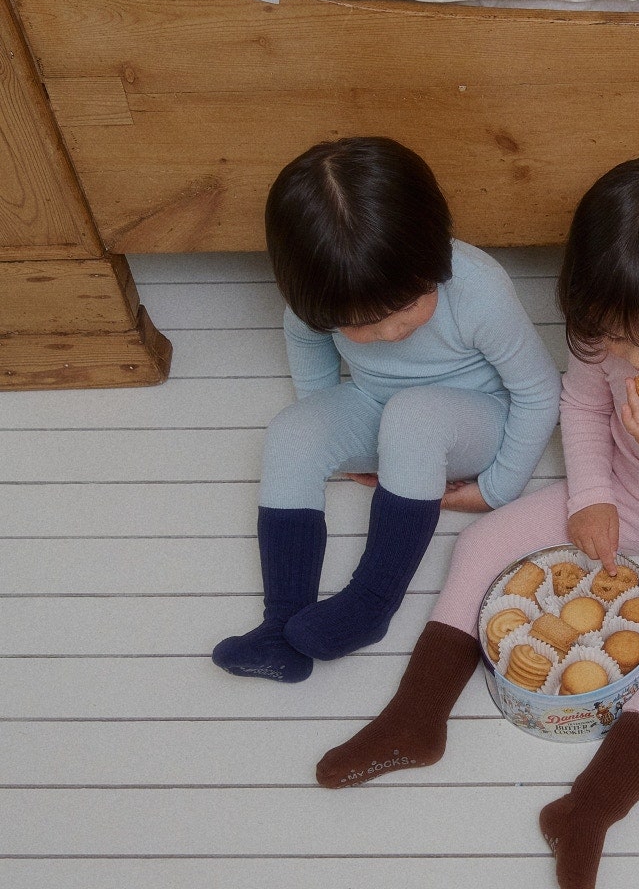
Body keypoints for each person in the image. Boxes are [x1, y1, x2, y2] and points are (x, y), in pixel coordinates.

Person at [315, 153, 639, 889]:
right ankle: (415, 719)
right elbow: (582, 407)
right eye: (618, 340)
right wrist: (593, 497)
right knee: (479, 546)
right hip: (622, 493)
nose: (636, 359)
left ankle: (587, 810)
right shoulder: (605, 333)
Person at [212, 136, 561, 684]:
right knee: (292, 432)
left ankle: (372, 602)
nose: (391, 332)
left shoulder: (478, 288)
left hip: (478, 420)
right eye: (361, 326)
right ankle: (280, 627)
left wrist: (497, 488)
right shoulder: (320, 295)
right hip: (383, 410)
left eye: (406, 307)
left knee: (414, 416)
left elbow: (539, 391)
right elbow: (305, 341)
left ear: (436, 255)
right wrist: (328, 425)